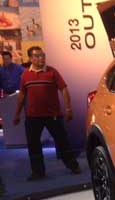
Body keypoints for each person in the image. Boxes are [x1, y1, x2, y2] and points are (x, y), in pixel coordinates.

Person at [12, 46, 81, 181]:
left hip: (53, 115)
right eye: (37, 56)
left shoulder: (52, 72)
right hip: (32, 117)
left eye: (42, 55)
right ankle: (38, 172)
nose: (41, 58)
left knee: (63, 142)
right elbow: (22, 95)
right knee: (33, 145)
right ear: (30, 58)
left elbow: (64, 89)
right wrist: (17, 114)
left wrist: (68, 109)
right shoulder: (25, 74)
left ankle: (73, 166)